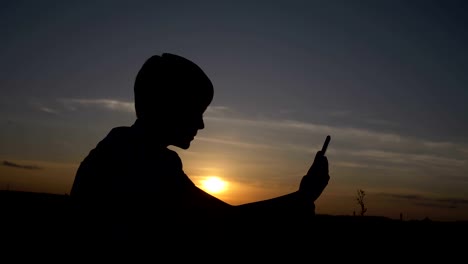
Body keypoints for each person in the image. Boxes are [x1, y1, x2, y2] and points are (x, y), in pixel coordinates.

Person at [69, 53, 330, 242]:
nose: (201, 124)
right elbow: (225, 224)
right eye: (196, 111)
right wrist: (303, 198)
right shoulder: (138, 161)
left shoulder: (124, 151)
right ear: (169, 105)